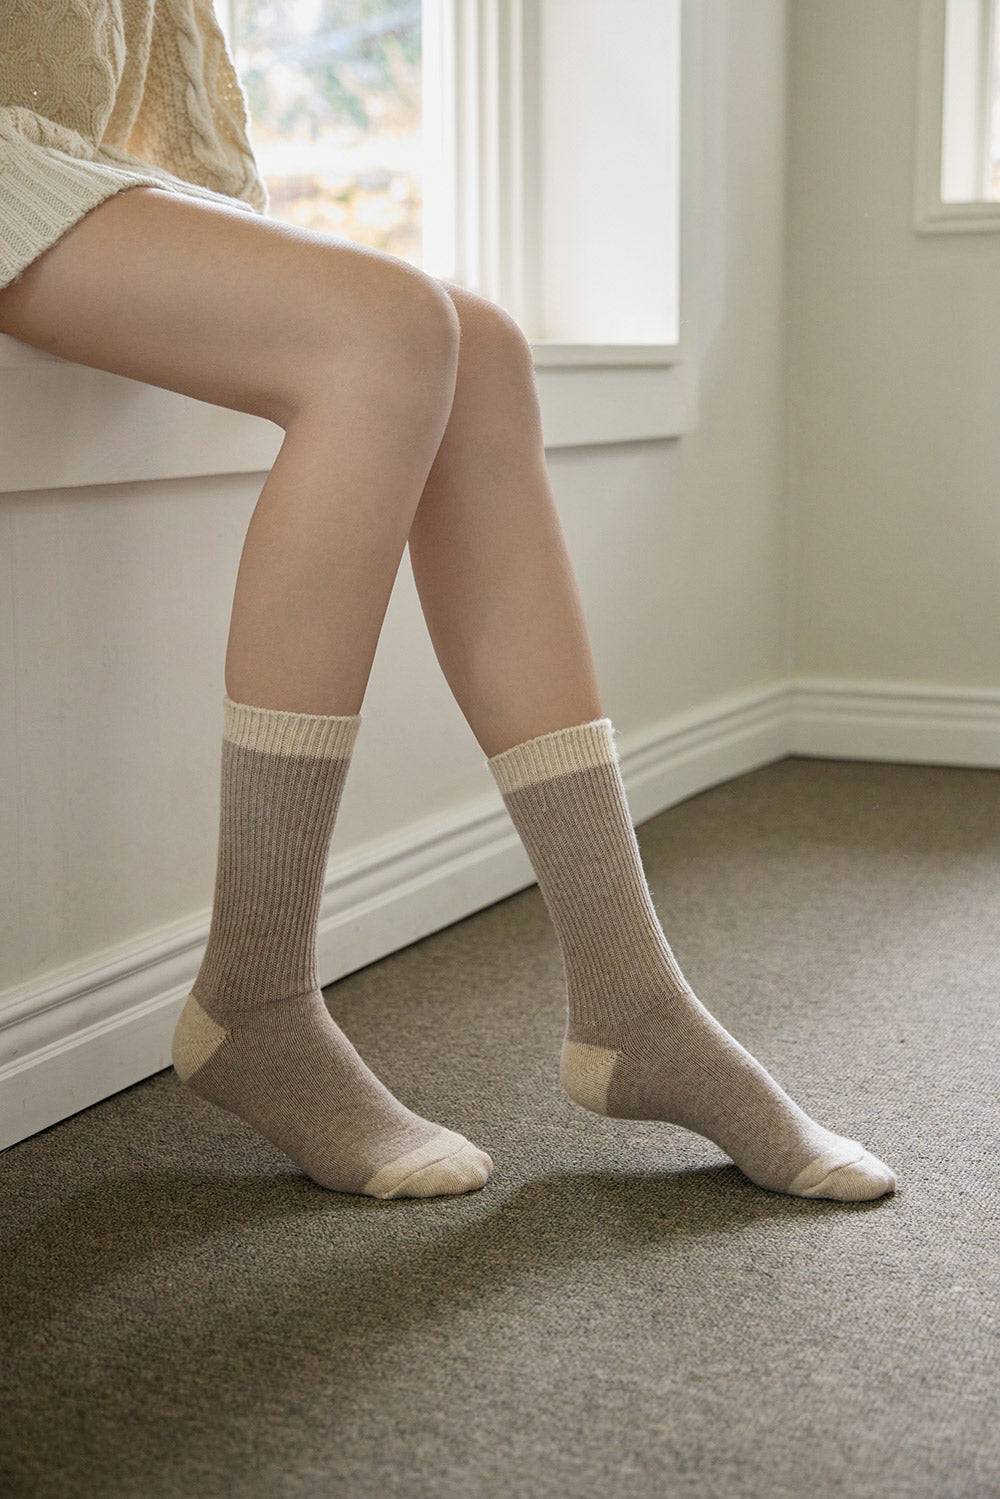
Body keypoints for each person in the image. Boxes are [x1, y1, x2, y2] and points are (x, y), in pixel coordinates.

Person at [0, 0, 896, 1204]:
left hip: (67, 155)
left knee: (484, 347)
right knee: (387, 327)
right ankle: (256, 990)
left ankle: (632, 995)